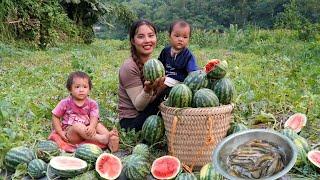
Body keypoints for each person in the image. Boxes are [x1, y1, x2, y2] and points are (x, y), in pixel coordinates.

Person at [51, 71, 119, 152]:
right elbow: (55, 116)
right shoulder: (65, 103)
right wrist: (60, 132)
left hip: (87, 130)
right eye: (77, 87)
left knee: (98, 125)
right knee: (78, 126)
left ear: (89, 89)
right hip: (72, 134)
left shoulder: (92, 104)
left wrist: (92, 126)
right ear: (70, 89)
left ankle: (110, 139)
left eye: (85, 87)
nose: (81, 90)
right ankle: (101, 139)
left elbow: (94, 117)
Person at [118, 19, 165, 131]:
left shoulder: (154, 64)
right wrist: (148, 89)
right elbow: (139, 106)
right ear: (133, 41)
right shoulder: (129, 67)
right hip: (132, 122)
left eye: (150, 35)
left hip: (146, 113)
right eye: (141, 37)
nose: (147, 40)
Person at [158, 19, 198, 96]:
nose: (180, 39)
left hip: (180, 82)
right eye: (177, 36)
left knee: (162, 86)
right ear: (169, 36)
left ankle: (154, 99)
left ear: (189, 39)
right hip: (166, 77)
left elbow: (192, 73)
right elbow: (159, 65)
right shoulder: (165, 51)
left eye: (185, 37)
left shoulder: (188, 55)